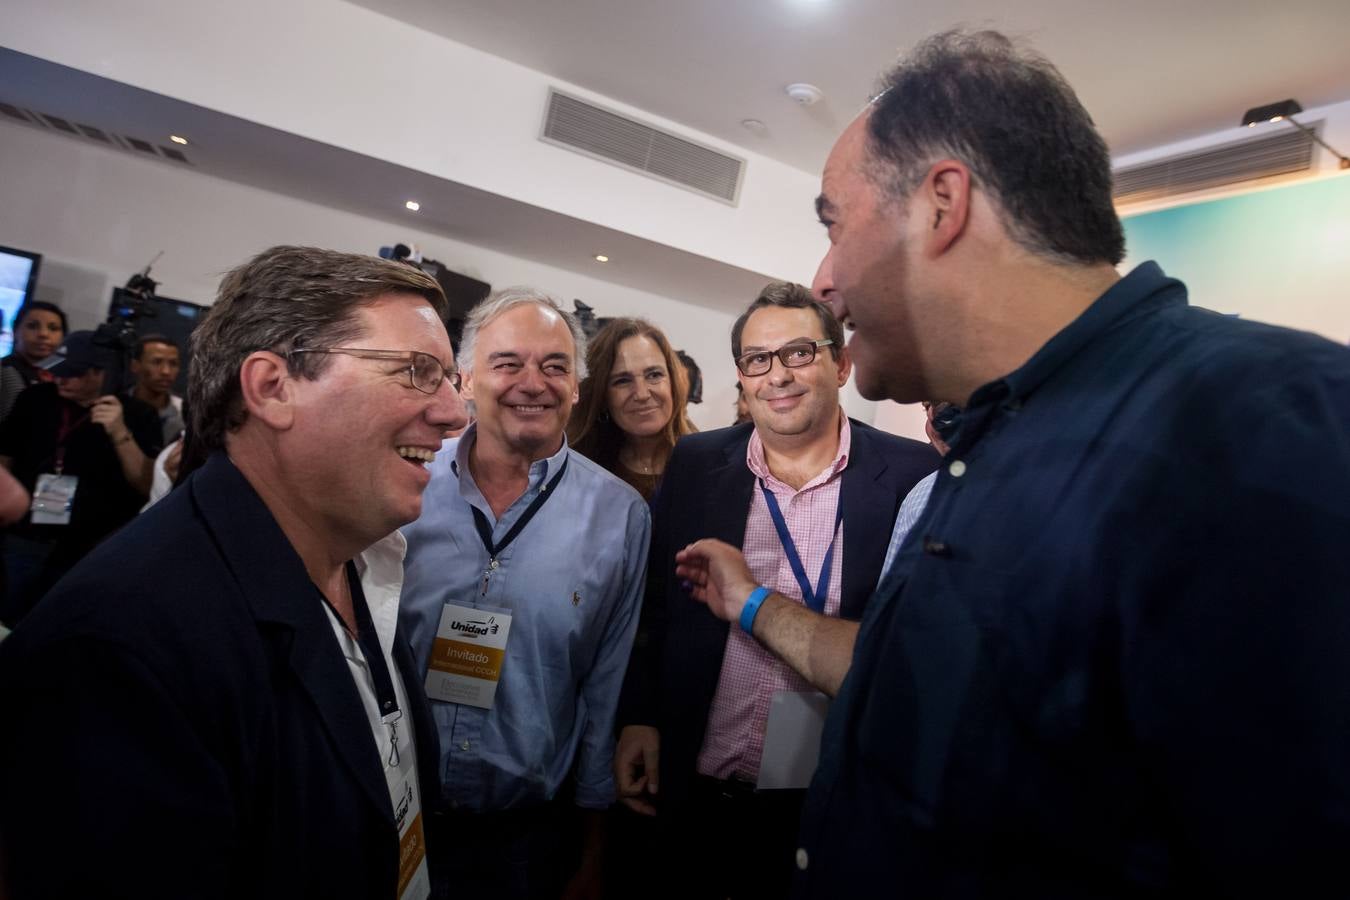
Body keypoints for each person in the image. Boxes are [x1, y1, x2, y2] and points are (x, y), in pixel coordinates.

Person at [673, 29, 1350, 898]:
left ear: (941, 204)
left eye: (835, 227)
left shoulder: (1278, 429)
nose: (826, 278)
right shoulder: (987, 443)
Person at [0, 245, 468, 899]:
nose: (454, 414)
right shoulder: (118, 645)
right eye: (418, 372)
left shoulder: (363, 558)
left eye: (451, 379)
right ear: (273, 387)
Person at [614, 282, 937, 899]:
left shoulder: (911, 476)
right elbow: (654, 607)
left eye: (799, 353)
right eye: (757, 360)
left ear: (840, 364)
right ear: (741, 376)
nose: (777, 376)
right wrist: (640, 717)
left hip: (828, 803)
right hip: (697, 790)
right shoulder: (697, 462)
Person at [401, 288, 650, 900]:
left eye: (555, 366)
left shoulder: (620, 516)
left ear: (577, 389)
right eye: (508, 362)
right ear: (464, 380)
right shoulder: (403, 489)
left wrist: (592, 854)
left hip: (527, 841)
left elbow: (604, 688)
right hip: (396, 816)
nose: (531, 383)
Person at [0, 330, 161, 623]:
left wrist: (119, 433)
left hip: (88, 549)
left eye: (72, 374)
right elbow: (5, 458)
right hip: (24, 537)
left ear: (101, 374)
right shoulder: (35, 399)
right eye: (57, 371)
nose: (60, 379)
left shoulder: (139, 415)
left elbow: (145, 485)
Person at [567, 316, 696, 500]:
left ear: (673, 382)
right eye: (623, 380)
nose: (642, 394)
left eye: (654, 375)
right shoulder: (579, 470)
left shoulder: (708, 463)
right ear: (602, 395)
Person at [0, 300, 66, 423]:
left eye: (53, 328)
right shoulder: (6, 373)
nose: (43, 334)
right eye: (32, 326)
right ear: (15, 331)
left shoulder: (64, 377)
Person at [128, 332, 186, 444]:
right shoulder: (116, 410)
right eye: (156, 362)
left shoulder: (185, 415)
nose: (166, 371)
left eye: (173, 364)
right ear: (135, 365)